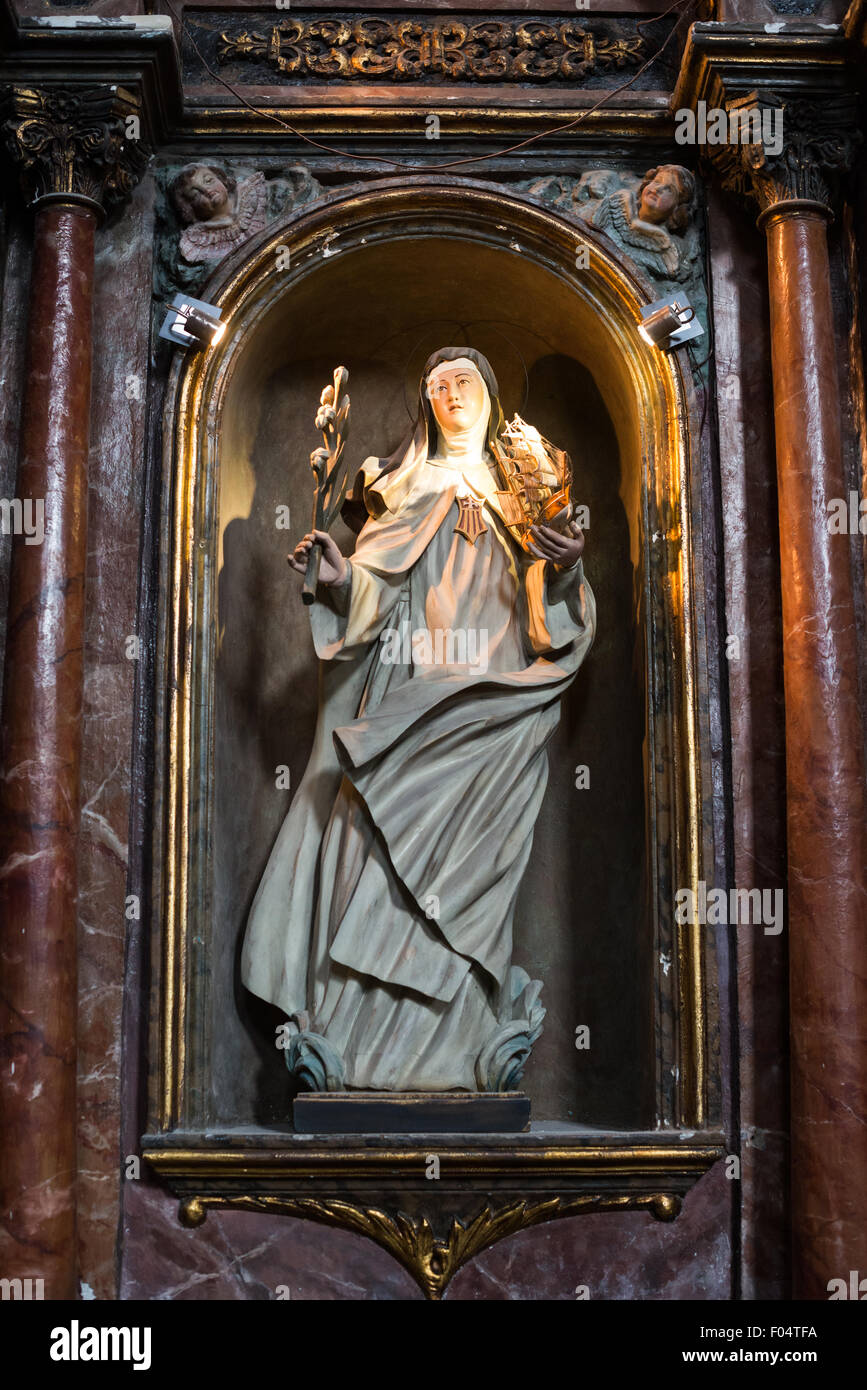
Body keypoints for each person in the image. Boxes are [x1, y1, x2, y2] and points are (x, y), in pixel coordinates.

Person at [241, 347, 596, 1092]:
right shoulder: (402, 489)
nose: (448, 395)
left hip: (496, 700)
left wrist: (562, 566)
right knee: (378, 843)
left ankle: (465, 1030)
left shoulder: (521, 491)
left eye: (463, 381)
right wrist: (341, 577)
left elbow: (554, 605)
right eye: (435, 386)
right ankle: (363, 1033)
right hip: (415, 688)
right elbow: (371, 594)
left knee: (475, 861)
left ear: (489, 396)